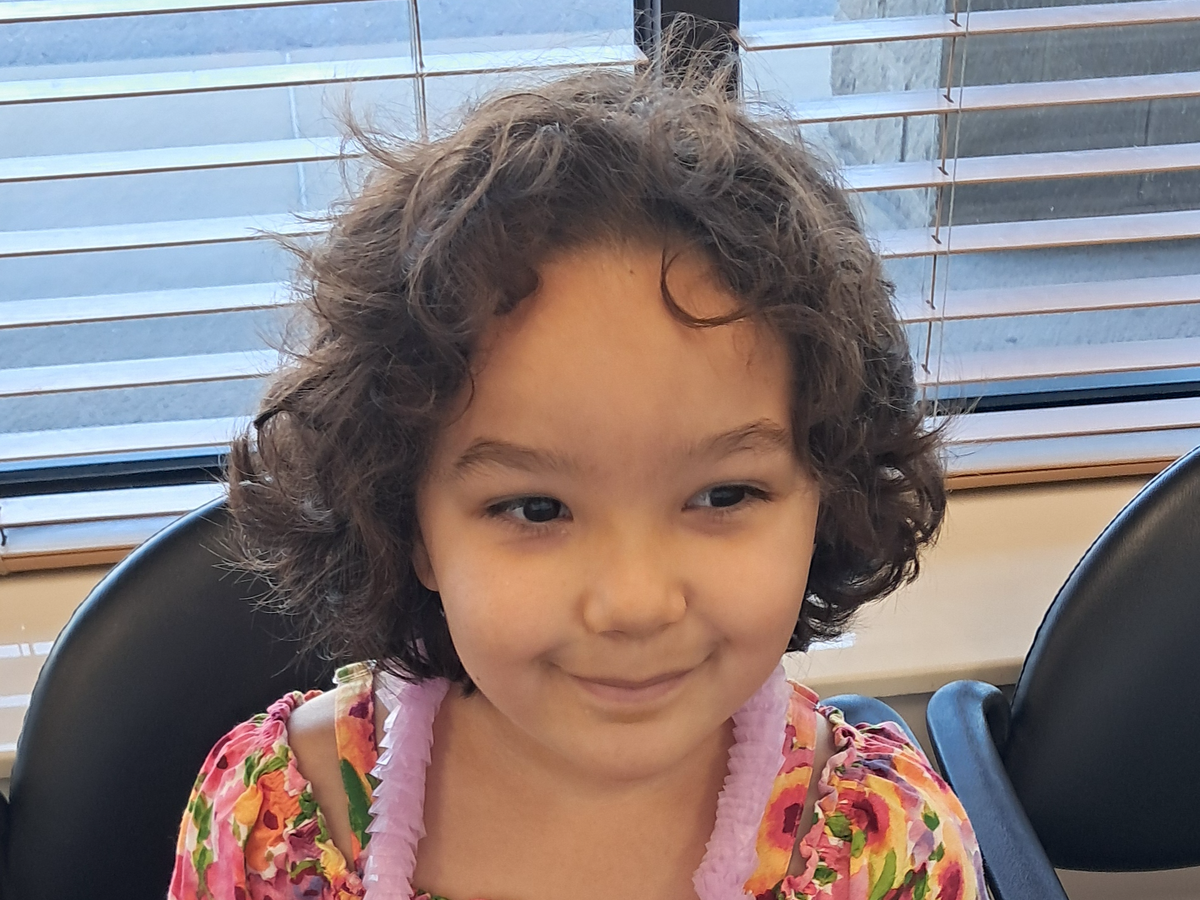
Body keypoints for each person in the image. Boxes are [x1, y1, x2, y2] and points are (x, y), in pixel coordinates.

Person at [169, 43, 985, 900]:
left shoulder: (887, 853)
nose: (634, 603)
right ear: (410, 527)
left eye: (724, 494)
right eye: (535, 508)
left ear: (826, 498)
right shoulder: (272, 822)